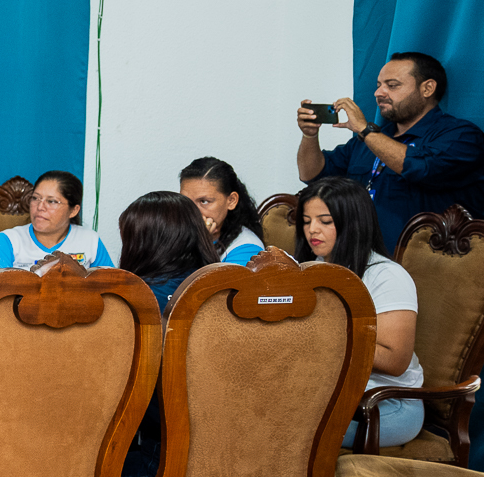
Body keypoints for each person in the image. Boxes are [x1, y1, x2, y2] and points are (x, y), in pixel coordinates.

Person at [298, 51, 484, 250]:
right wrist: (310, 135)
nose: (379, 93)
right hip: (360, 256)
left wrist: (365, 130)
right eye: (378, 85)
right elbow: (312, 175)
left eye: (392, 85)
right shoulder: (372, 138)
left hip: (425, 262)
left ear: (427, 88)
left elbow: (421, 168)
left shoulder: (462, 135)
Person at [295, 177, 425, 450]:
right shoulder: (312, 268)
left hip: (384, 403)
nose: (312, 230)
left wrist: (327, 335)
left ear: (352, 223)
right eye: (306, 221)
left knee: (291, 435)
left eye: (325, 221)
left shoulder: (387, 276)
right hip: (330, 392)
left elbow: (396, 361)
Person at [114, 191, 221, 477]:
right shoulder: (224, 290)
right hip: (237, 473)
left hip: (163, 475)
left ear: (141, 242)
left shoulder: (139, 303)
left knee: (64, 472)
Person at [0, 170, 112, 270]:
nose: (40, 207)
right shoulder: (9, 240)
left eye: (51, 201)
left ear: (74, 210)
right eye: (35, 198)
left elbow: (111, 286)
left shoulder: (90, 240)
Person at [178, 156, 266, 264]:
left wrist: (201, 244)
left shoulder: (247, 249)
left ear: (231, 201)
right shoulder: (175, 233)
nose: (192, 211)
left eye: (204, 201)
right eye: (186, 201)